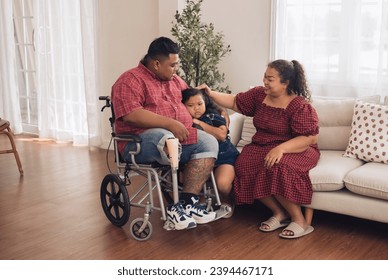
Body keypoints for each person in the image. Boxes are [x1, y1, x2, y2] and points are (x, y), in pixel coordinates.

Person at [200, 59, 320, 239]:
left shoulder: (299, 106)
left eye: (270, 79)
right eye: (265, 77)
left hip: (296, 148)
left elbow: (310, 138)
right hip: (262, 145)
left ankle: (300, 220)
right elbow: (234, 102)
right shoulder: (258, 95)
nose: (265, 81)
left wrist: (281, 149)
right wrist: (210, 93)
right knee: (244, 166)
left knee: (278, 167)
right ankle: (279, 213)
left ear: (285, 82)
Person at [111, 36, 219, 230]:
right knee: (166, 137)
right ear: (156, 63)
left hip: (177, 140)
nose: (176, 69)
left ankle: (186, 204)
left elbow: (193, 100)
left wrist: (220, 113)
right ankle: (174, 210)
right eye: (173, 65)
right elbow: (131, 114)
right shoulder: (129, 80)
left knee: (208, 142)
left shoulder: (175, 80)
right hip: (138, 143)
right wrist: (171, 123)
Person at [181, 88, 239, 217]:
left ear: (205, 103)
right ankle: (197, 204)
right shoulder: (183, 121)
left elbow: (222, 135)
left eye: (199, 104)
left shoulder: (214, 116)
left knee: (223, 184)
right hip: (199, 158)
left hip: (224, 157)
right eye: (190, 105)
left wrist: (199, 123)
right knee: (189, 181)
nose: (196, 108)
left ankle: (228, 201)